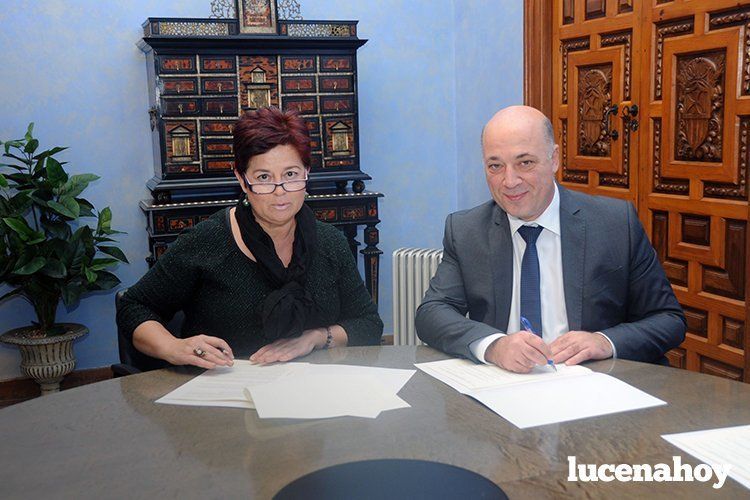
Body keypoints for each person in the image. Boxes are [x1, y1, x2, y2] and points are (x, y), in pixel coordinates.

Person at [415, 105, 685, 372]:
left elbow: (668, 320)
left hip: (594, 385)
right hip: (503, 385)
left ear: (554, 158)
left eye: (525, 163)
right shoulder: (466, 230)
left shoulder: (614, 223)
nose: (509, 181)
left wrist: (604, 341)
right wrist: (494, 346)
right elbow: (432, 313)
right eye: (495, 166)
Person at [117, 107, 383, 369]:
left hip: (310, 393)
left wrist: (315, 338)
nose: (280, 192)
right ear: (242, 180)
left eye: (290, 175)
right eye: (264, 177)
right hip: (224, 395)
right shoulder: (208, 241)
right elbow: (134, 307)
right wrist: (174, 347)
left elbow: (368, 323)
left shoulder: (330, 242)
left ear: (306, 173)